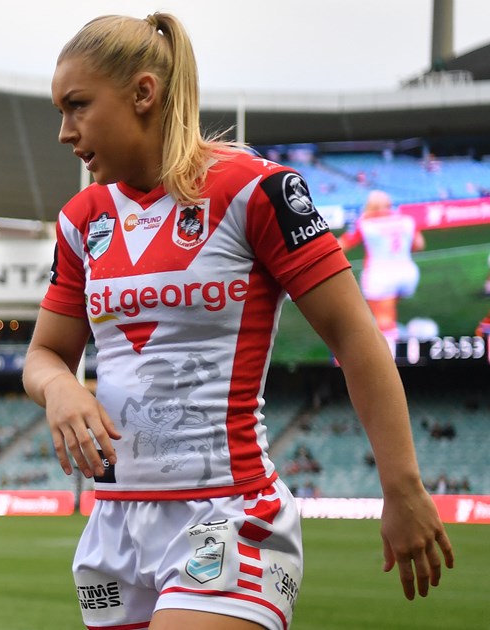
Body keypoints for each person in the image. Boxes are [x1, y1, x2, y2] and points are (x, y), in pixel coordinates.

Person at [25, 13, 454, 630]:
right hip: (114, 528)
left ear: (143, 93)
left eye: (78, 106)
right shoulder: (80, 219)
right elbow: (43, 355)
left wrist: (403, 486)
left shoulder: (257, 190)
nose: (65, 132)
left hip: (228, 515)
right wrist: (61, 386)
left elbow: (355, 338)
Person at [338, 190, 423, 341]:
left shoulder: (365, 222)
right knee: (388, 311)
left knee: (383, 320)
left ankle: (391, 353)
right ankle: (394, 333)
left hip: (380, 275)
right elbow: (418, 245)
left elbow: (341, 246)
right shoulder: (406, 219)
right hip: (408, 272)